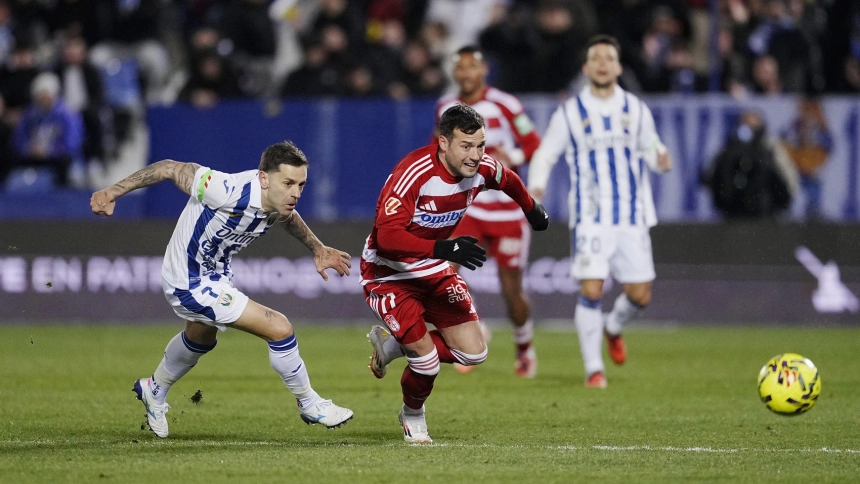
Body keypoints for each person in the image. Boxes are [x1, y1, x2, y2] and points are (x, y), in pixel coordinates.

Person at [89, 141, 354, 438]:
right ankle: (310, 403)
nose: (295, 193)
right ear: (264, 178)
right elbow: (168, 168)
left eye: (301, 185)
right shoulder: (225, 189)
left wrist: (317, 248)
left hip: (216, 275)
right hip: (188, 281)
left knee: (201, 336)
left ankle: (154, 388)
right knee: (279, 328)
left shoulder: (277, 201)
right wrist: (111, 191)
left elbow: (287, 217)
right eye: (289, 183)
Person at [362, 104, 548, 443]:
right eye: (466, 145)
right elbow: (387, 237)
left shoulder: (480, 167)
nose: (476, 155)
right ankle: (413, 415)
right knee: (427, 362)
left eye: (480, 145)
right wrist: (444, 249)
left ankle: (391, 347)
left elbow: (507, 178)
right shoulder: (414, 173)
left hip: (431, 268)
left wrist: (531, 208)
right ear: (443, 142)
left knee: (474, 352)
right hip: (388, 273)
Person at [528, 35, 672, 389]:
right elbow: (546, 153)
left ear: (619, 67)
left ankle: (613, 327)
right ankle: (594, 369)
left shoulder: (636, 109)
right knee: (591, 290)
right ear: (586, 68)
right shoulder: (570, 112)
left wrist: (659, 158)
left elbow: (651, 145)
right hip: (591, 216)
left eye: (610, 57)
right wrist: (536, 186)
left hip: (632, 215)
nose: (603, 63)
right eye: (597, 58)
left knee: (640, 295)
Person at [435, 45, 542, 378]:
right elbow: (437, 151)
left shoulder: (506, 105)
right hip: (469, 209)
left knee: (512, 291)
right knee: (445, 272)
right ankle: (474, 331)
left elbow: (533, 143)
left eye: (472, 67)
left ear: (483, 71)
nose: (466, 73)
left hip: (507, 212)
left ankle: (525, 347)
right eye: (460, 68)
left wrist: (512, 158)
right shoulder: (446, 107)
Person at [13, 72, 84, 187]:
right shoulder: (30, 114)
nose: (43, 98)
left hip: (57, 157)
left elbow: (72, 143)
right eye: (40, 95)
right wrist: (28, 148)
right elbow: (19, 138)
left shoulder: (66, 114)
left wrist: (49, 150)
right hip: (34, 156)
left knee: (64, 162)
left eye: (46, 95)